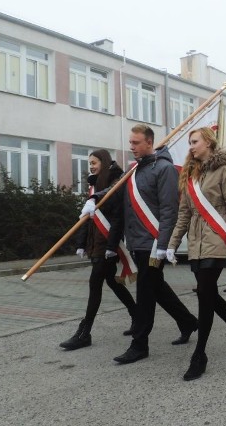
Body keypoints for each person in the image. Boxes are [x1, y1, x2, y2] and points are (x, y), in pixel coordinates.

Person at [82, 124, 199, 364]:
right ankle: (187, 322)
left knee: (145, 293)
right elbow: (115, 190)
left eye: (136, 143)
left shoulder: (164, 169)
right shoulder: (135, 169)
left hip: (153, 243)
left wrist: (163, 244)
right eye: (130, 143)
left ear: (149, 143)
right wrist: (95, 198)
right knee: (157, 289)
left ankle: (139, 344)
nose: (132, 147)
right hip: (136, 241)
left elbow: (169, 210)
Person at [167, 127, 226, 381]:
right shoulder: (190, 175)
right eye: (190, 142)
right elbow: (184, 214)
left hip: (218, 241)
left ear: (208, 143)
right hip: (196, 244)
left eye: (194, 142)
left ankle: (199, 355)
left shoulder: (224, 170)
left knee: (204, 292)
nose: (191, 146)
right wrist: (172, 243)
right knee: (209, 293)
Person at [60, 150, 136, 351]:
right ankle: (138, 316)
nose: (91, 166)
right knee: (112, 281)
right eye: (89, 163)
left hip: (107, 243)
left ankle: (84, 333)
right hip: (96, 241)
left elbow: (118, 217)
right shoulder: (94, 184)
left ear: (103, 162)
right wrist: (81, 242)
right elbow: (87, 216)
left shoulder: (116, 182)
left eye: (94, 163)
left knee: (95, 284)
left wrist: (112, 246)